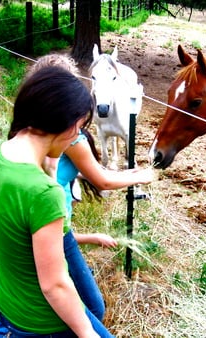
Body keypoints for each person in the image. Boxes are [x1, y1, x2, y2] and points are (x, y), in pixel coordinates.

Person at [0, 65, 114, 337]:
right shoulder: (43, 193)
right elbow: (55, 286)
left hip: (3, 300)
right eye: (79, 129)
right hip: (40, 322)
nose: (78, 137)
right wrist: (88, 334)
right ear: (70, 125)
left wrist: (50, 171)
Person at [29, 54, 155, 321]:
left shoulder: (27, 130)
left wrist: (90, 237)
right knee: (93, 307)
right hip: (55, 223)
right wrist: (140, 176)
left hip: (43, 225)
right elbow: (102, 181)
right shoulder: (69, 136)